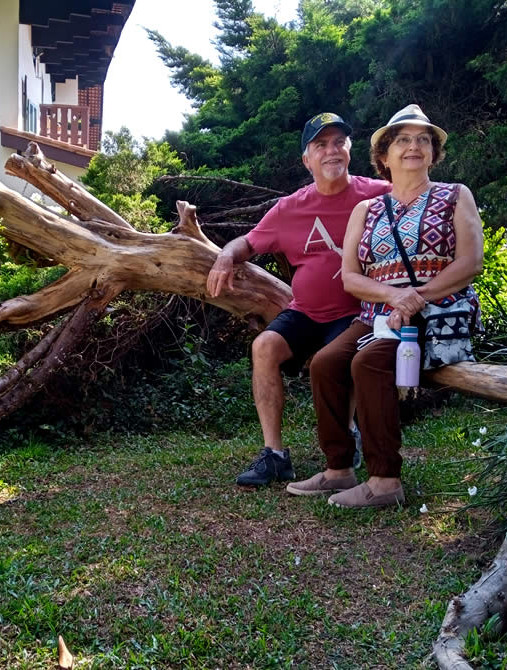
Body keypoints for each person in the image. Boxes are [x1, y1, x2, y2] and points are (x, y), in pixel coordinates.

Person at [303, 103, 484, 507]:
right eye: (402, 139)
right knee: (325, 364)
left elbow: (471, 263)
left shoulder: (456, 195)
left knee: (368, 363)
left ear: (434, 154)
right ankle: (338, 469)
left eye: (423, 140)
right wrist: (393, 297)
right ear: (384, 156)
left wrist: (414, 298)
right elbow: (350, 276)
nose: (414, 146)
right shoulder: (366, 210)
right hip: (379, 314)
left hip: (436, 311)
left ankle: (385, 480)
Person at [206, 112, 391, 487]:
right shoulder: (289, 208)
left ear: (350, 151)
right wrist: (225, 255)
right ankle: (274, 456)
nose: (331, 151)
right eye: (320, 145)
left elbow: (416, 207)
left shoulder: (378, 194)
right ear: (307, 160)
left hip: (357, 312)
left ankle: (350, 437)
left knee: (336, 360)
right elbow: (249, 241)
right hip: (306, 312)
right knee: (264, 348)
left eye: (338, 142)